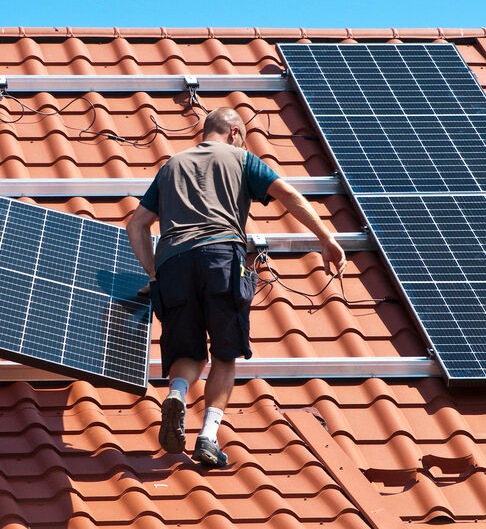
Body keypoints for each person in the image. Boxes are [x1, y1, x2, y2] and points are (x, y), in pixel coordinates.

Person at [126, 107, 346, 467]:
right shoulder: (242, 158)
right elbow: (287, 194)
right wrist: (325, 237)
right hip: (221, 258)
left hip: (173, 264)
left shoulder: (170, 167)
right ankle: (208, 437)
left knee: (188, 353)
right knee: (225, 354)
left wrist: (154, 276)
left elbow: (136, 226)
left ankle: (178, 394)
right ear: (233, 132)